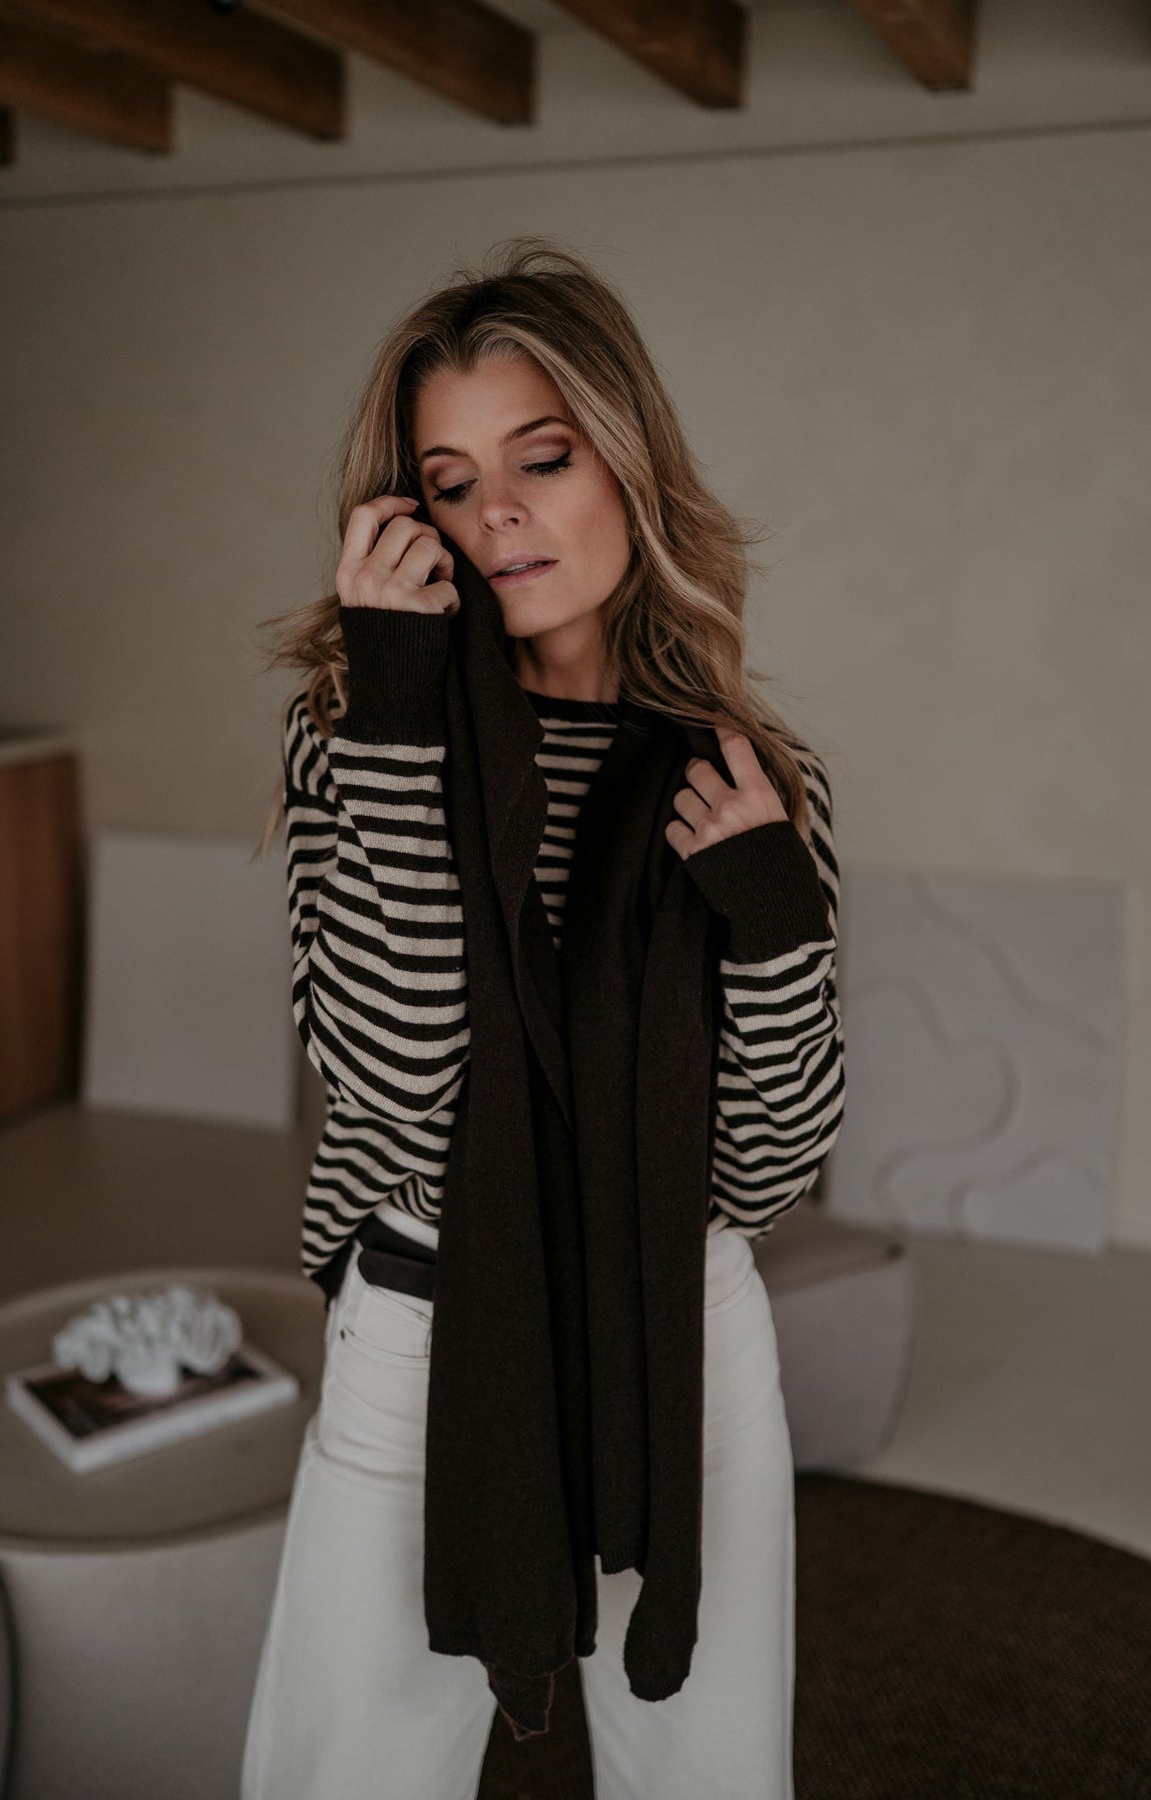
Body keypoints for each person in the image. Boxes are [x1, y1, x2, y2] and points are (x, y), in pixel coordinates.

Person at [243, 237, 845, 1800]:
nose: (495, 512)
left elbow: (763, 1171)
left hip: (677, 1322)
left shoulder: (752, 775)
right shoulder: (355, 734)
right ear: (409, 518)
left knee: (708, 1775)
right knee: (349, 1777)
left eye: (543, 457)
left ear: (627, 464)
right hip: (430, 1316)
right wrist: (394, 723)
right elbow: (400, 1089)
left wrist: (771, 920)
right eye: (448, 482)